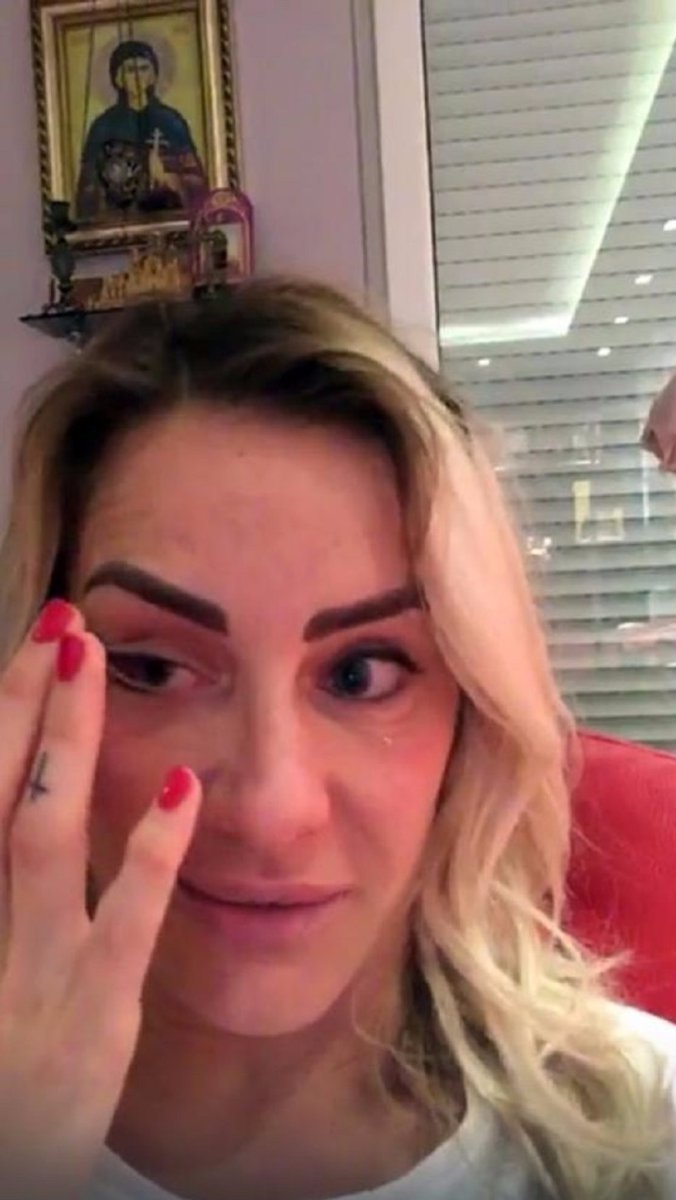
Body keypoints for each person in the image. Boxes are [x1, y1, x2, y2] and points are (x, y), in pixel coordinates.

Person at [0, 277, 674, 1200]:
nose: (271, 812)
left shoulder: (646, 1128)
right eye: (151, 668)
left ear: (471, 716)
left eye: (361, 675)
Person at [75, 39, 208, 221]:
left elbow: (198, 186)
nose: (138, 77)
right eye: (130, 70)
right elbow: (87, 190)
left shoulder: (171, 122)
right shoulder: (103, 126)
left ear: (154, 76)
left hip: (168, 220)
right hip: (118, 222)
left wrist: (169, 178)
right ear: (118, 79)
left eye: (144, 69)